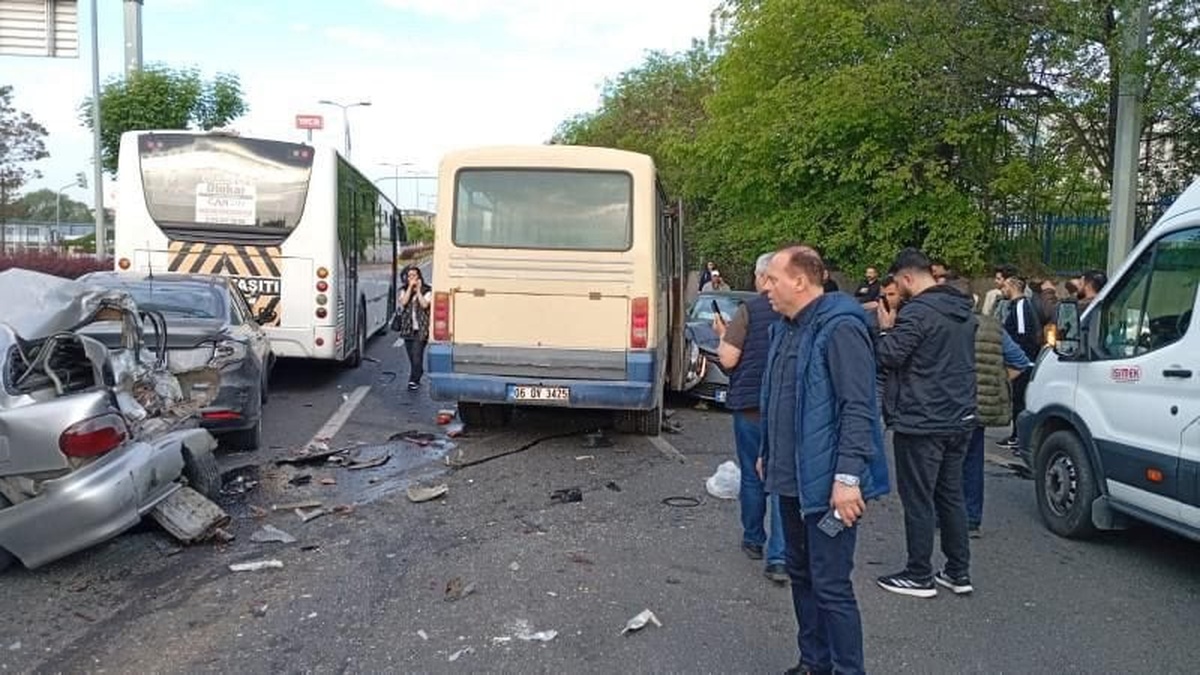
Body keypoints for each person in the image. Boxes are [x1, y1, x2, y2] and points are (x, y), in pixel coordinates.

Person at [760, 245, 890, 675]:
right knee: (801, 576)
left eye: (773, 279)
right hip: (789, 477)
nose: (765, 287)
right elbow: (778, 398)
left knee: (831, 586)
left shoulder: (840, 329)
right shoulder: (785, 329)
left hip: (829, 484)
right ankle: (813, 663)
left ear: (800, 280)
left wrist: (848, 477)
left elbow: (859, 407)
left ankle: (847, 670)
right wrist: (767, 451)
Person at [874, 248, 977, 599]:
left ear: (906, 278)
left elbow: (890, 356)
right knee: (951, 495)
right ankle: (958, 571)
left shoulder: (917, 312)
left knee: (918, 498)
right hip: (959, 416)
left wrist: (886, 331)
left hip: (922, 419)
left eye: (896, 284)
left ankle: (919, 574)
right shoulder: (962, 308)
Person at [714, 252, 787, 584]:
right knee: (785, 479)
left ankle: (754, 538)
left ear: (761, 278)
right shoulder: (801, 312)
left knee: (752, 473)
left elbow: (728, 359)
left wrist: (722, 335)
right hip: (788, 410)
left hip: (752, 407)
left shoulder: (750, 311)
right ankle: (781, 556)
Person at [947, 277, 1031, 536]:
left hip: (948, 404)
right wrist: (998, 381)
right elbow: (1020, 361)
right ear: (972, 301)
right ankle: (972, 519)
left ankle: (946, 517)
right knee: (973, 462)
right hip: (980, 407)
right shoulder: (993, 327)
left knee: (945, 464)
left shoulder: (942, 325)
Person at [396, 265, 432, 391]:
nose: (412, 278)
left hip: (421, 330)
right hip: (407, 329)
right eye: (409, 276)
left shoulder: (427, 290)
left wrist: (418, 291)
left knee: (417, 356)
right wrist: (410, 288)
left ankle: (413, 380)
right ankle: (418, 371)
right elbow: (404, 302)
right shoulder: (403, 290)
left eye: (414, 276)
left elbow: (425, 304)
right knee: (412, 357)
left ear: (419, 277)